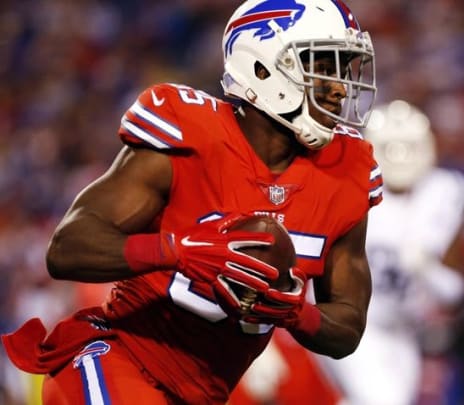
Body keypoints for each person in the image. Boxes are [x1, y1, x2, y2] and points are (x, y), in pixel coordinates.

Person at [1, 1, 381, 404]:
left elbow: (348, 326)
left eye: (343, 69)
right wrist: (178, 250)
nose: (339, 87)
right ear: (263, 67)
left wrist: (294, 313)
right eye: (322, 67)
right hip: (119, 358)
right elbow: (67, 249)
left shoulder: (346, 171)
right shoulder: (190, 135)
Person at [324, 100, 464, 405]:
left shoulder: (442, 191)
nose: (401, 157)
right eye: (392, 147)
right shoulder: (351, 191)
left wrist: (425, 268)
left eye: (408, 147)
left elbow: (455, 291)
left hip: (405, 332)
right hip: (353, 323)